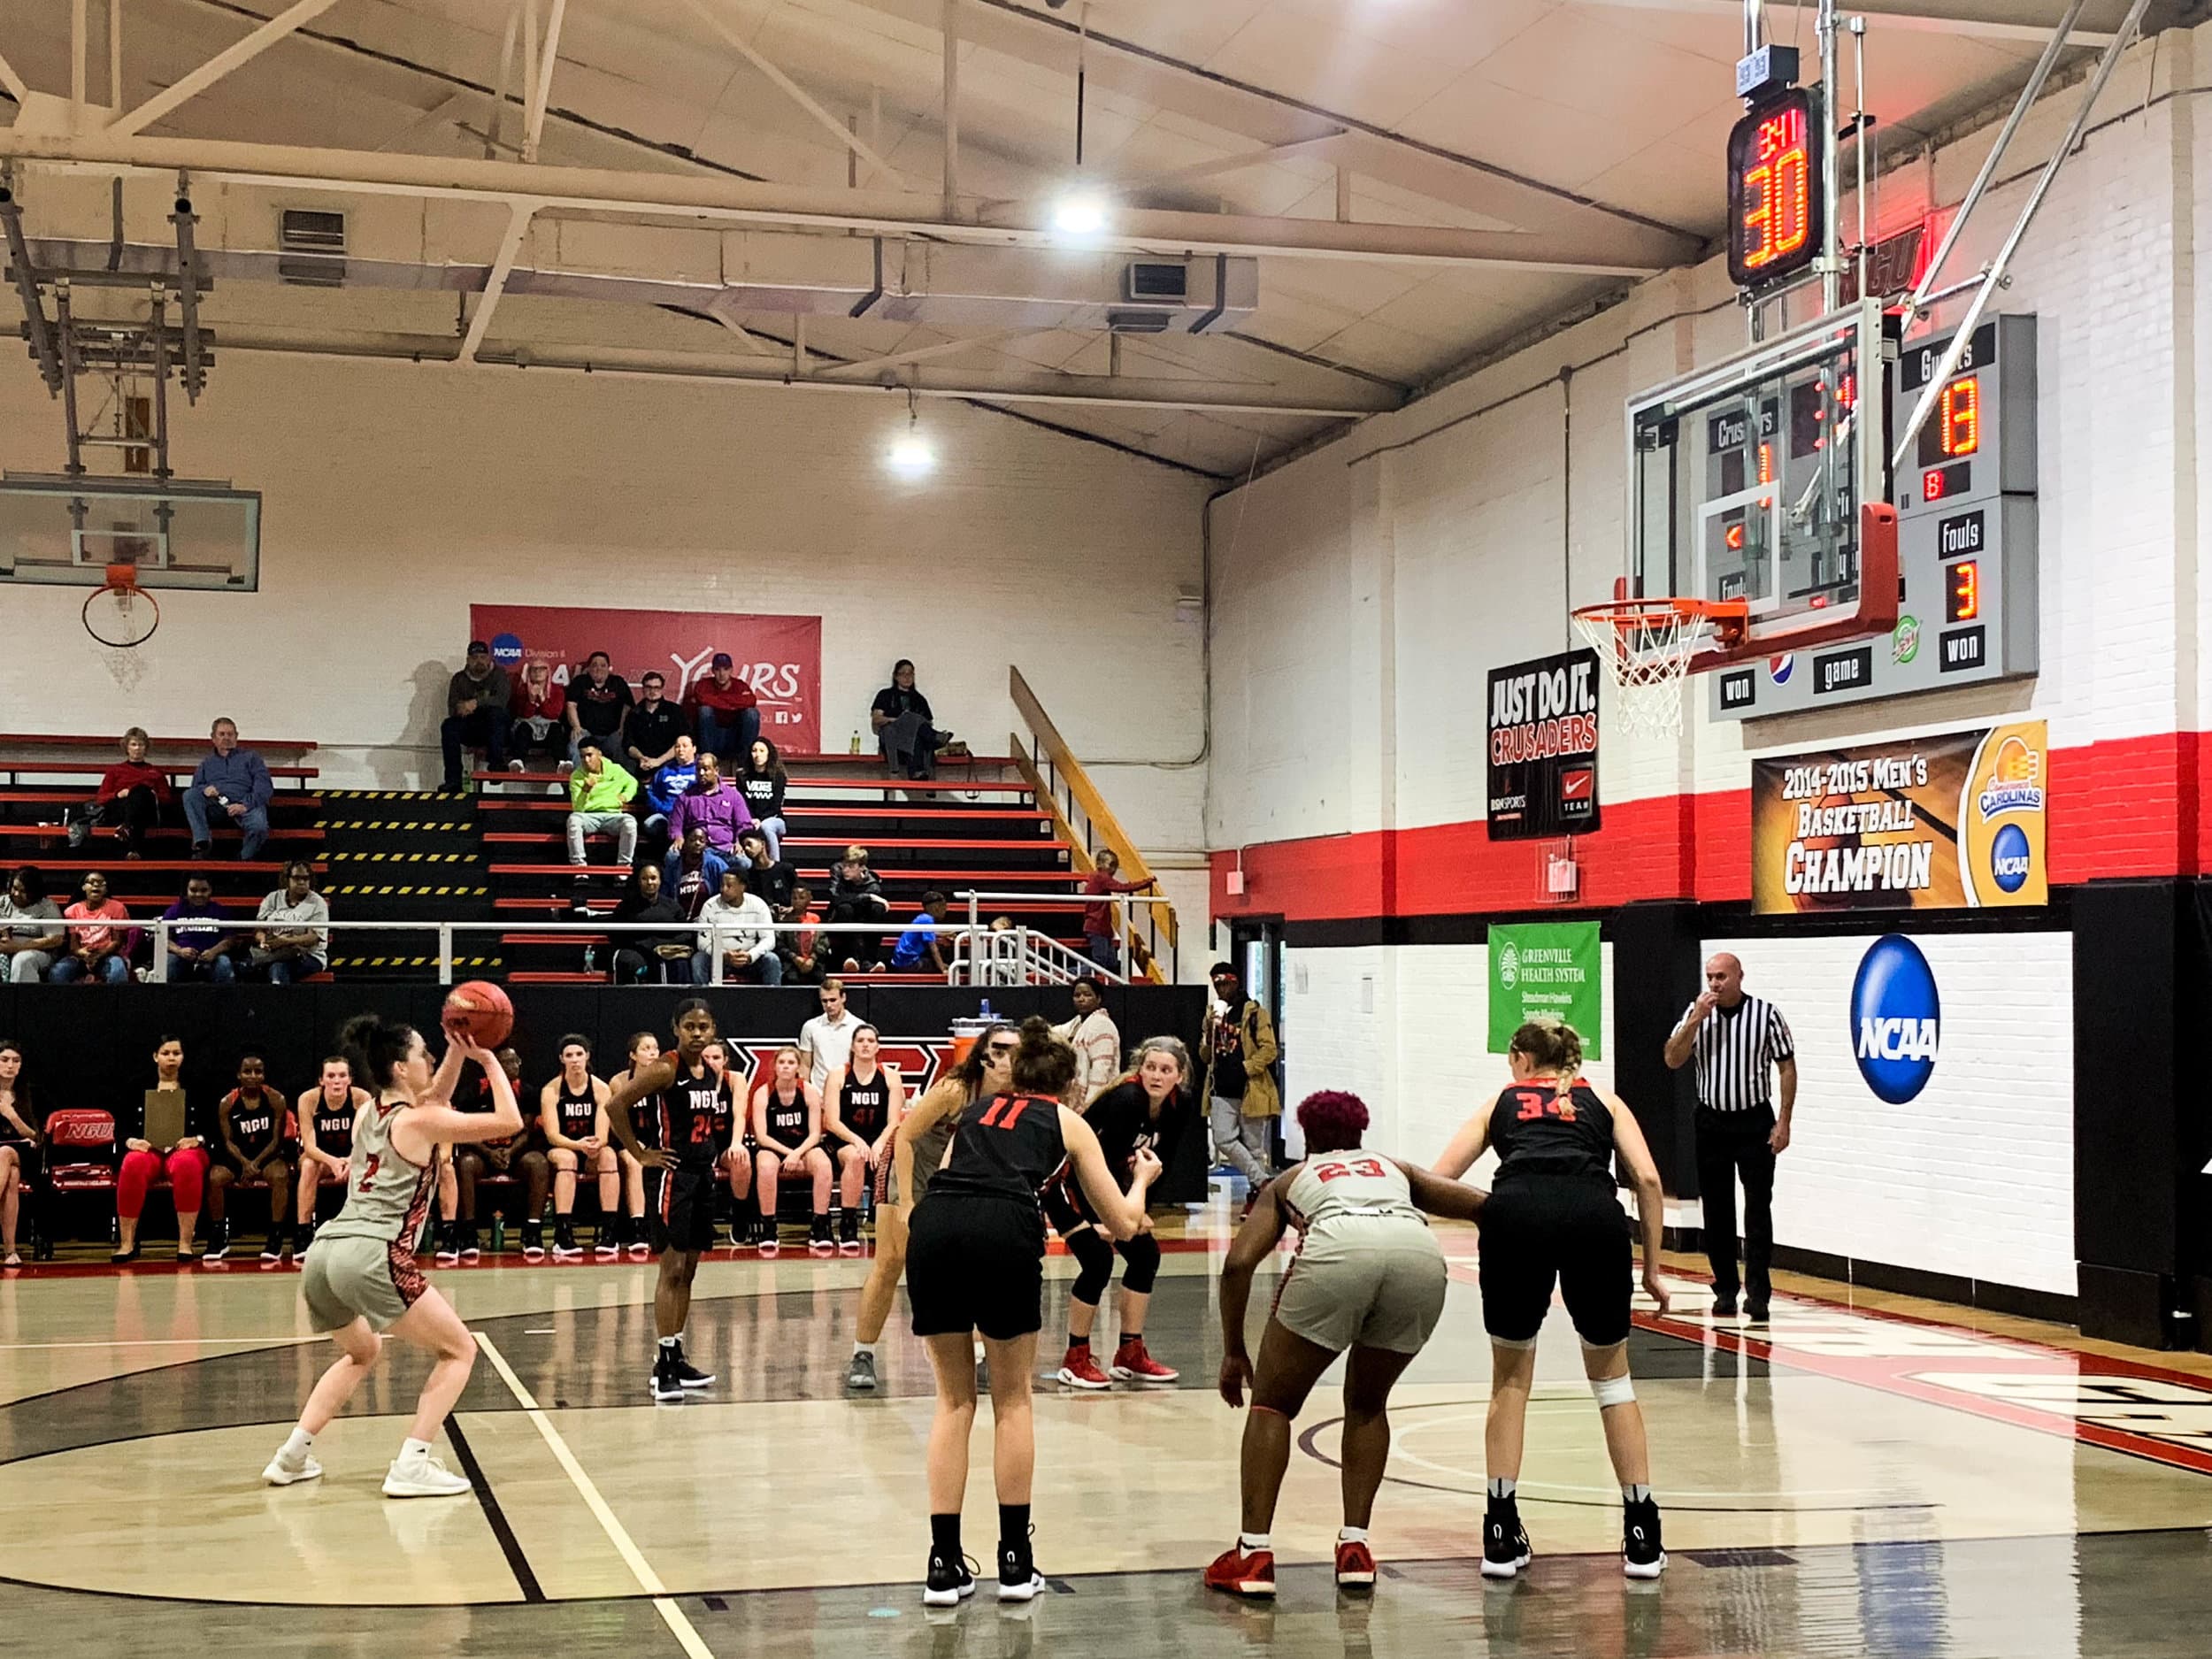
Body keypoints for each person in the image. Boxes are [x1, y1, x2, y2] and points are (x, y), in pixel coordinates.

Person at [899, 1018, 1157, 1605]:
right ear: (1068, 1085)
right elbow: (1123, 1224)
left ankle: (943, 1564)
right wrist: (1141, 1179)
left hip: (935, 1227)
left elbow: (939, 1171)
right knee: (1012, 1400)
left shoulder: (974, 1112)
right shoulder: (1066, 1119)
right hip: (1001, 1226)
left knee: (952, 1400)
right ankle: (1014, 1561)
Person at [1205, 1088, 1487, 1599]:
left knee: (1272, 1404)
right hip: (1417, 1256)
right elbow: (1483, 1207)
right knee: (1366, 1404)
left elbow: (1237, 1265)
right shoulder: (1392, 1166)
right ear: (1361, 1134)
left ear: (1307, 1136)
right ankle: (1355, 1547)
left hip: (1338, 1247)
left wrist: (1233, 1350)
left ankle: (1253, 1554)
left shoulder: (1291, 1178)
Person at [1432, 1017, 1671, 1581]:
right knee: (1613, 1380)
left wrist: (1498, 1209)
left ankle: (1499, 1530)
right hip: (1594, 1218)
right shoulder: (1604, 1101)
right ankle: (1641, 1532)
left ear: (1520, 1059)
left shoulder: (1502, 1102)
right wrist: (1655, 1271)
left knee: (1510, 1379)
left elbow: (1440, 1177)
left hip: (1516, 1216)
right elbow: (1650, 1180)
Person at [260, 1010, 524, 1498]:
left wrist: (454, 1052)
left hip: (324, 1252)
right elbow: (508, 1120)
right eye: (423, 1053)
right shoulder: (422, 1120)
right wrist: (487, 1059)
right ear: (401, 1068)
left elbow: (434, 1098)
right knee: (460, 1350)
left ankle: (292, 1454)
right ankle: (412, 1463)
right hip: (373, 1253)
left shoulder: (368, 1112)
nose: (429, 1060)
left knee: (364, 1350)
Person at [844, 1021, 1018, 1394]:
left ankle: (981, 1357)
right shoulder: (955, 1090)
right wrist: (907, 1201)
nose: (1007, 1061)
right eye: (1000, 1051)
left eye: (1015, 1053)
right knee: (890, 1262)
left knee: (971, 1266)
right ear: (984, 1057)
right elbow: (905, 1136)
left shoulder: (1015, 1097)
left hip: (959, 1178)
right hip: (911, 1167)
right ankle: (863, 1353)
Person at [604, 1000, 736, 1402]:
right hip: (672, 1176)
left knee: (691, 1268)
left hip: (702, 1175)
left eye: (704, 1027)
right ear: (676, 1029)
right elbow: (614, 1105)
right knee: (673, 1267)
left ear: (713, 1030)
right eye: (690, 1027)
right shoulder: (664, 1068)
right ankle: (663, 1363)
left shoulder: (712, 1072)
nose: (698, 1034)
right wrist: (641, 1152)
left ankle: (676, 1355)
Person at [1050, 1035, 1195, 1389]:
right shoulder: (1129, 1099)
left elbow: (1163, 1163)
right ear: (1139, 1069)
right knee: (1098, 1259)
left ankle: (1130, 1353)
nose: (1157, 1076)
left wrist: (1141, 1209)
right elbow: (1091, 1166)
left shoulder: (1181, 1104)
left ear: (1180, 1075)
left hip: (1111, 1191)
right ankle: (1076, 1357)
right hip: (1067, 1185)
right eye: (1150, 1067)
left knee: (1145, 1256)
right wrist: (1104, 1219)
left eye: (1166, 1070)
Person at [1663, 951, 1798, 1323]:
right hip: (1711, 1122)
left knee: (1757, 1209)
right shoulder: (1697, 1015)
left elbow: (1786, 1066)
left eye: (1722, 976)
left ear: (1739, 976)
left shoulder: (1766, 1015)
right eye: (1710, 977)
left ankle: (1758, 1293)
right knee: (1718, 1210)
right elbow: (1672, 1059)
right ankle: (1725, 1288)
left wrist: (1784, 1121)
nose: (1715, 984)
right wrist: (1695, 1021)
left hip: (1754, 1121)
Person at [441, 1046, 550, 1261]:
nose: (515, 1065)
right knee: (465, 1163)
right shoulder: (474, 1091)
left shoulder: (527, 1092)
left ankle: (532, 1231)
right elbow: (462, 1129)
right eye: (509, 1062)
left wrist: (509, 1150)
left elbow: (527, 1130)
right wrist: (489, 1153)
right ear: (496, 1066)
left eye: (516, 1060)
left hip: (515, 1152)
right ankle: (468, 1232)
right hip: (482, 1152)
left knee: (538, 1162)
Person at [114, 1034, 211, 1262]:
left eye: (176, 1054)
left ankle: (185, 1242)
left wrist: (196, 1139)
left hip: (183, 1149)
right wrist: (132, 1142)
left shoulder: (197, 1086)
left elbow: (212, 1127)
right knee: (132, 1163)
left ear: (183, 1057)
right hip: (149, 1149)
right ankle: (126, 1242)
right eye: (166, 1054)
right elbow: (121, 1129)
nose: (171, 1059)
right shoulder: (136, 1085)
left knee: (187, 1163)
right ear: (155, 1056)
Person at [208, 1052, 296, 1263]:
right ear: (239, 1075)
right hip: (237, 1156)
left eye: (258, 1071)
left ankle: (275, 1237)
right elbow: (228, 1141)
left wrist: (255, 1164)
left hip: (266, 1154)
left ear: (264, 1075)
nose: (253, 1076)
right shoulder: (227, 1103)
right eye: (248, 1071)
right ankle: (219, 1235)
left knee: (281, 1175)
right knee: (214, 1178)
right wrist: (244, 1164)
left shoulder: (276, 1099)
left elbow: (276, 1140)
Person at [541, 1035, 621, 1260]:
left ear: (587, 1056)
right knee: (568, 1160)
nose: (575, 1060)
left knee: (608, 1156)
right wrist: (577, 1145)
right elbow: (552, 1135)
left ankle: (609, 1232)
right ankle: (563, 1232)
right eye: (569, 1055)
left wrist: (596, 1144)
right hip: (563, 1146)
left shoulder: (601, 1088)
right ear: (561, 1059)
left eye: (579, 1054)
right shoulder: (551, 1090)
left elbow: (603, 1133)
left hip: (591, 1148)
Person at [825, 1024, 902, 1254]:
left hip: (878, 1139)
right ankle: (849, 1223)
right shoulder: (839, 1075)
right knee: (857, 1157)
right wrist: (858, 1141)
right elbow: (831, 1121)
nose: (866, 1045)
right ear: (852, 1046)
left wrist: (879, 1143)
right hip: (844, 1140)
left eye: (870, 1041)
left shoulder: (890, 1077)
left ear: (878, 1046)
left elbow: (894, 1121)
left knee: (899, 1158)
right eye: (861, 1041)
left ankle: (891, 1221)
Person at [1204, 962, 1279, 1195]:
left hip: (1250, 1087)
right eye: (1217, 985)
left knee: (1254, 1147)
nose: (1221, 989)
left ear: (1235, 982)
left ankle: (1257, 1195)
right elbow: (1204, 1055)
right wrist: (1208, 1033)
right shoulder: (1213, 1013)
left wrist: (1247, 1068)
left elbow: (1269, 1049)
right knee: (1223, 1139)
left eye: (1225, 983)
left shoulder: (1254, 1012)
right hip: (1220, 1088)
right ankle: (1263, 1181)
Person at [751, 1046, 832, 1255]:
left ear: (798, 1067)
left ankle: (820, 1225)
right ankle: (769, 1226)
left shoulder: (809, 1091)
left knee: (824, 1165)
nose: (786, 1067)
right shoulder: (763, 1093)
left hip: (805, 1145)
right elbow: (762, 1136)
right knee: (766, 1166)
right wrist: (788, 1153)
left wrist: (797, 1153)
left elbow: (815, 1133)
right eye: (782, 1063)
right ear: (775, 1066)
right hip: (774, 1145)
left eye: (791, 1063)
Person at [296, 1056, 372, 1247]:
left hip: (353, 1158)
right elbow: (309, 1146)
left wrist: (350, 1160)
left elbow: (366, 1141)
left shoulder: (362, 1098)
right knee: (308, 1165)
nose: (336, 1081)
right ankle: (303, 1231)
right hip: (321, 1159)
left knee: (370, 1165)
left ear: (350, 1079)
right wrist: (333, 1162)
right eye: (331, 1076)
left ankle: (365, 1230)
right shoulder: (308, 1100)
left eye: (342, 1075)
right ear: (321, 1080)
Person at [65, 726, 172, 859]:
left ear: (146, 747)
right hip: (120, 809)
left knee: (140, 791)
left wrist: (149, 794)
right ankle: (133, 847)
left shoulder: (156, 773)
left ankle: (126, 827)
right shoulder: (115, 770)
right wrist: (118, 794)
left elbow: (166, 798)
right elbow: (101, 798)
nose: (137, 748)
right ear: (127, 747)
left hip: (147, 810)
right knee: (135, 796)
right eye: (133, 744)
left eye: (141, 744)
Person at [183, 718, 274, 859]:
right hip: (217, 804)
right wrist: (205, 789)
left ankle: (243, 859)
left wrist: (245, 805)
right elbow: (196, 787)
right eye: (222, 734)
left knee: (259, 827)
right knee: (189, 795)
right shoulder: (206, 763)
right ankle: (202, 840)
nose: (226, 738)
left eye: (230, 734)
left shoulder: (251, 758)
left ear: (236, 737)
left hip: (245, 803)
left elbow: (264, 786)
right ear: (213, 738)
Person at [607, 1032, 663, 1260]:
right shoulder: (619, 1082)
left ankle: (664, 1225)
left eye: (655, 1048)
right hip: (627, 1142)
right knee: (635, 1161)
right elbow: (613, 1122)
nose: (652, 1053)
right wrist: (633, 1143)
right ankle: (638, 1227)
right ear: (633, 1054)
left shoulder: (665, 1079)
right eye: (645, 1048)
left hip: (656, 1140)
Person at [441, 641, 513, 787]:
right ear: (468, 660)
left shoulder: (499, 674)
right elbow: (453, 708)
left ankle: (496, 767)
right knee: (448, 726)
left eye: (482, 657)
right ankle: (453, 780)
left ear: (489, 658)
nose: (479, 661)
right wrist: (461, 708)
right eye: (475, 657)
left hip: (496, 729)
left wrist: (475, 703)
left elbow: (501, 701)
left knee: (496, 714)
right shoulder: (459, 679)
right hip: (471, 726)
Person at [609, 864, 695, 985]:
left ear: (660, 881)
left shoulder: (672, 906)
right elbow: (616, 934)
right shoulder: (626, 906)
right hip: (636, 952)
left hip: (665, 952)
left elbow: (686, 934)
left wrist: (662, 945)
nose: (650, 882)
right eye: (644, 878)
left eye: (653, 878)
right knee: (628, 960)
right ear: (639, 881)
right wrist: (644, 945)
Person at [696, 867, 782, 986]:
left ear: (742, 887)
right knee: (699, 959)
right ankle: (701, 1000)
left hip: (750, 959)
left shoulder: (758, 905)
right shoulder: (710, 906)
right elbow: (702, 942)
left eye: (729, 885)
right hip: (720, 959)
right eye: (722, 885)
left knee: (772, 960)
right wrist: (723, 955)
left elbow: (769, 939)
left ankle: (773, 1002)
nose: (723, 889)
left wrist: (751, 955)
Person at [666, 750, 753, 864]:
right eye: (698, 770)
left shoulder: (733, 795)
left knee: (744, 862)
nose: (701, 773)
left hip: (725, 848)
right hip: (694, 848)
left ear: (716, 771)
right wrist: (678, 837)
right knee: (672, 856)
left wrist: (739, 841)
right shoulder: (685, 797)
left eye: (706, 769)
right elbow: (675, 825)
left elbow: (744, 824)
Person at [565, 738, 640, 868]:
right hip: (589, 817)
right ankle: (579, 866)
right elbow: (577, 808)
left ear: (599, 754)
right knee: (573, 820)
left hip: (613, 815)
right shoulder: (576, 776)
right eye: (582, 757)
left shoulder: (615, 770)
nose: (586, 760)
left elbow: (632, 782)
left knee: (630, 822)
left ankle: (623, 867)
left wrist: (626, 796)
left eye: (589, 755)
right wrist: (585, 790)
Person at [1079, 850, 1156, 976]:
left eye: (1116, 865)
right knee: (1100, 963)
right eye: (1112, 864)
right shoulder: (1101, 878)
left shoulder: (1098, 879)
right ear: (1100, 864)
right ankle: (1069, 972)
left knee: (1111, 963)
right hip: (1097, 927)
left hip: (1102, 928)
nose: (1114, 869)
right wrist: (1146, 882)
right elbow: (1122, 888)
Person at [253, 859, 330, 983]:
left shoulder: (317, 903)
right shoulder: (273, 898)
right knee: (244, 968)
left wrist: (285, 941)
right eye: (296, 878)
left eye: (305, 878)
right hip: (273, 952)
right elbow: (259, 929)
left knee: (278, 969)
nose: (301, 882)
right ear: (287, 879)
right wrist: (263, 941)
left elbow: (313, 937)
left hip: (308, 956)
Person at [872, 658, 950, 780]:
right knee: (910, 718)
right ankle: (935, 737)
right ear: (896, 676)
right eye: (903, 673)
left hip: (914, 741)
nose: (907, 677)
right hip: (893, 738)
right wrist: (897, 720)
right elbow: (877, 719)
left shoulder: (919, 699)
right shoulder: (885, 694)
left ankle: (917, 772)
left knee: (916, 728)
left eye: (910, 673)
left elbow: (927, 722)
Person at [50, 872, 134, 984]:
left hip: (108, 955)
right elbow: (73, 946)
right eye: (91, 882)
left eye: (101, 883)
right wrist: (84, 954)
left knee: (117, 972)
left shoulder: (117, 908)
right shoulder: (72, 911)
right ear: (84, 887)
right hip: (81, 956)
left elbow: (117, 941)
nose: (96, 885)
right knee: (58, 972)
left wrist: (99, 955)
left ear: (106, 889)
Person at [0, 1041, 42, 1266]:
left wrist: (11, 1115)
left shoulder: (28, 1093)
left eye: (16, 1061)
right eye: (4, 1060)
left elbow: (35, 1136)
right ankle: (10, 1252)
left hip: (23, 1152)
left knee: (5, 1153)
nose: (10, 1065)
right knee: (11, 1177)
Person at [160, 872, 242, 983]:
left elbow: (230, 939)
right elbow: (163, 937)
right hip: (180, 957)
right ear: (186, 891)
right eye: (193, 890)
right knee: (169, 963)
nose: (198, 894)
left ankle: (227, 1000)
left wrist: (214, 952)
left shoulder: (221, 911)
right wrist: (179, 951)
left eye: (204, 890)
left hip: (213, 957)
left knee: (224, 963)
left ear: (211, 891)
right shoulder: (174, 911)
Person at [1054, 977, 1120, 1103]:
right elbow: (1055, 1032)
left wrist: (1090, 1104)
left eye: (1087, 995)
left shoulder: (1102, 1025)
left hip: (1099, 1099)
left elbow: (1101, 1069)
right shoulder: (1078, 1022)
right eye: (1077, 995)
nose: (1081, 999)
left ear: (1098, 998)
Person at [826, 846, 891, 972]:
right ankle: (850, 958)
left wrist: (863, 899)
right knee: (846, 909)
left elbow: (869, 907)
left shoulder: (873, 883)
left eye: (851, 867)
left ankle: (869, 961)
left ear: (862, 867)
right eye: (844, 865)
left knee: (878, 908)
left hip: (862, 918)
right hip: (840, 918)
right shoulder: (836, 872)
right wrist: (868, 897)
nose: (845, 870)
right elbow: (835, 899)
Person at [685, 652, 758, 764]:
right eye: (718, 669)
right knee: (705, 711)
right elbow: (703, 700)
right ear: (713, 671)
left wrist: (717, 700)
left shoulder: (740, 685)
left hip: (735, 737)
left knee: (752, 713)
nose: (722, 674)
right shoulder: (704, 685)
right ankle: (707, 763)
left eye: (726, 669)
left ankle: (745, 764)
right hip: (712, 736)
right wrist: (734, 704)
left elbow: (751, 701)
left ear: (731, 670)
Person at [0, 866, 65, 985]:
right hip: (4, 950)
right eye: (14, 888)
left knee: (22, 959)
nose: (16, 894)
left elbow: (55, 940)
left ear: (34, 891)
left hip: (39, 953)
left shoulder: (47, 906)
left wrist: (17, 947)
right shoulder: (2, 902)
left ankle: (21, 1001)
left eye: (23, 891)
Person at [565, 650, 634, 761]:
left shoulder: (618, 682)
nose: (598, 668)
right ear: (589, 668)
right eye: (594, 665)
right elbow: (571, 705)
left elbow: (628, 706)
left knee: (625, 745)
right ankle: (578, 777)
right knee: (575, 744)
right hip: (585, 732)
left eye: (603, 665)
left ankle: (620, 778)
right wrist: (576, 726)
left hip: (612, 734)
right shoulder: (580, 682)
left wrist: (622, 727)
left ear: (609, 668)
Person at [798, 977, 863, 1091]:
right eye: (824, 1001)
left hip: (848, 1094)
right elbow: (805, 1065)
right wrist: (807, 1094)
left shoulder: (858, 1027)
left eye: (833, 1000)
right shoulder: (810, 1027)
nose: (828, 1005)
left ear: (843, 998)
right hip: (818, 1094)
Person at [641, 733, 701, 855]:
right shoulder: (665, 771)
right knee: (650, 824)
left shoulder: (701, 769)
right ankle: (669, 856)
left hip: (693, 817)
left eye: (685, 746)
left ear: (694, 749)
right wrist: (664, 809)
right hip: (666, 815)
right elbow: (652, 794)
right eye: (677, 746)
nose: (681, 749)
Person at [735, 738, 790, 863]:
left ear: (768, 753)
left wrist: (760, 820)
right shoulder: (742, 776)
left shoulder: (778, 775)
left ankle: (774, 864)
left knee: (766, 827)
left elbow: (776, 806)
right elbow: (741, 803)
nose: (757, 754)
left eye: (761, 751)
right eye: (754, 751)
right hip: (749, 819)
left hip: (774, 819)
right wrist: (750, 819)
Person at [507, 658, 569, 771]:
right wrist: (531, 700)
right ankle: (518, 762)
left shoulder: (557, 690)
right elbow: (524, 714)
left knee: (556, 729)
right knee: (523, 728)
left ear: (548, 672)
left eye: (542, 669)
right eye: (534, 669)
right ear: (529, 672)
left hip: (549, 724)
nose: (538, 672)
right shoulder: (522, 689)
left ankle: (562, 764)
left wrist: (542, 698)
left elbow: (554, 714)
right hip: (528, 723)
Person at [625, 671, 687, 780]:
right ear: (643, 688)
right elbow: (628, 744)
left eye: (657, 687)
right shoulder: (634, 713)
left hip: (670, 765)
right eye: (649, 687)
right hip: (641, 765)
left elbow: (682, 741)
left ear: (662, 689)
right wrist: (641, 758)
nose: (652, 691)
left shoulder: (675, 711)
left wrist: (659, 761)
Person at [664, 824, 730, 926]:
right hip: (680, 922)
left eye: (701, 840)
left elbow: (729, 891)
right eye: (693, 839)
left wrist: (710, 917)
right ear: (685, 841)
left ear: (706, 844)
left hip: (709, 922)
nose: (697, 843)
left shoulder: (716, 864)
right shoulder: (674, 866)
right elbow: (666, 894)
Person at [735, 828, 798, 914]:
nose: (746, 849)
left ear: (762, 844)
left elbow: (800, 896)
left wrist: (791, 909)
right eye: (743, 846)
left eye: (749, 844)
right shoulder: (747, 876)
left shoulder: (786, 869)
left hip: (787, 922)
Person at [892, 891, 950, 975]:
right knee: (940, 965)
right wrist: (943, 969)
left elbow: (928, 934)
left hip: (901, 961)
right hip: (908, 964)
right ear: (936, 907)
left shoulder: (922, 918)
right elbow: (933, 948)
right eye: (944, 907)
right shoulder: (927, 920)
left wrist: (945, 934)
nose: (945, 911)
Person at [780, 886, 826, 986]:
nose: (797, 901)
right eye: (794, 898)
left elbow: (823, 941)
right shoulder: (785, 920)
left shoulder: (815, 919)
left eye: (801, 898)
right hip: (791, 962)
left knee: (821, 978)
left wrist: (813, 958)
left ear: (809, 899)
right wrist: (794, 957)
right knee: (791, 979)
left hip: (813, 962)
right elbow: (780, 944)